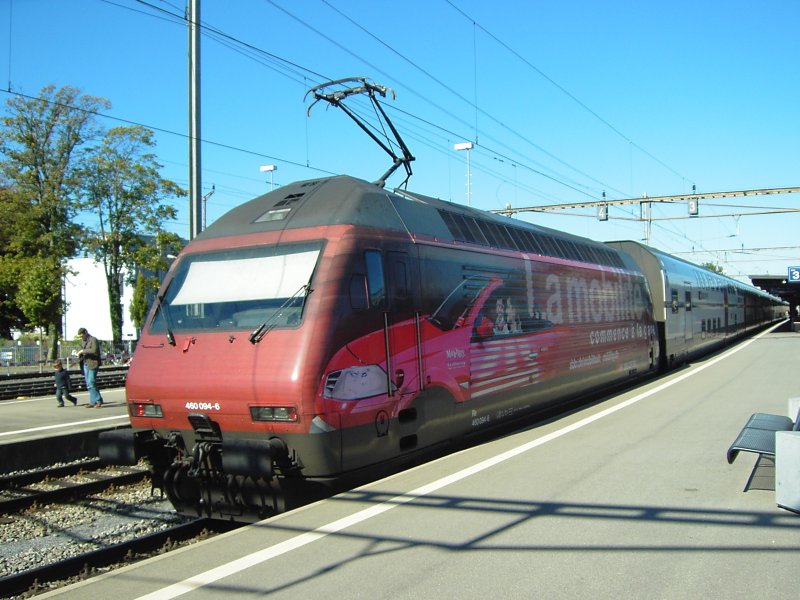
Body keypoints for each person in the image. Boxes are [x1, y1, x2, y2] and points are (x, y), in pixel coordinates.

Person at [77, 327, 104, 408]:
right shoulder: (83, 341)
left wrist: (83, 351)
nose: (81, 337)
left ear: (85, 332)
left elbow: (94, 350)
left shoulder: (93, 339)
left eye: (82, 336)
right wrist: (78, 352)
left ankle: (98, 400)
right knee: (89, 384)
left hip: (93, 363)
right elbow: (82, 350)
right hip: (85, 363)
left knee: (91, 382)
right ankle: (93, 401)